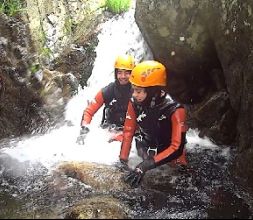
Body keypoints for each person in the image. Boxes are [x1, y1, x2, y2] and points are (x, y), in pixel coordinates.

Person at [118, 60, 188, 188]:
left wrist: (146, 165)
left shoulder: (175, 110)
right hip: (145, 148)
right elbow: (128, 132)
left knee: (180, 181)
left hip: (170, 154)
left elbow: (177, 147)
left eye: (138, 91)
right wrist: (122, 161)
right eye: (133, 90)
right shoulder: (134, 103)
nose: (134, 95)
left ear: (152, 91)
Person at [76, 54, 135, 145]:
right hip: (109, 131)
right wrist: (84, 128)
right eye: (119, 72)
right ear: (115, 73)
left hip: (131, 134)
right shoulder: (109, 90)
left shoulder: (139, 92)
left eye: (127, 73)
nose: (123, 76)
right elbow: (89, 111)